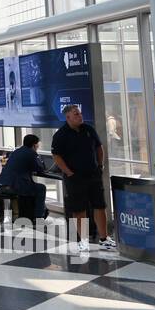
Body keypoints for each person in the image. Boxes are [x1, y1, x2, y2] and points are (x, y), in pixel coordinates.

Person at [51, 104, 115, 252]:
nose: (80, 116)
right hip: (75, 177)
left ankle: (104, 238)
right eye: (76, 114)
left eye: (79, 113)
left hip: (93, 174)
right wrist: (68, 172)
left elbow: (99, 148)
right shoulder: (61, 134)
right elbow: (56, 156)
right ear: (68, 117)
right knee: (79, 209)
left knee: (100, 206)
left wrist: (100, 166)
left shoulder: (88, 129)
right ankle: (83, 240)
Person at [1, 134, 48, 220]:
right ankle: (39, 217)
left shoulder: (16, 151)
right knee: (41, 188)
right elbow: (40, 168)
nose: (38, 146)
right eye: (38, 144)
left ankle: (33, 215)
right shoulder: (32, 153)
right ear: (34, 145)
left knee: (32, 187)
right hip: (16, 186)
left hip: (3, 185)